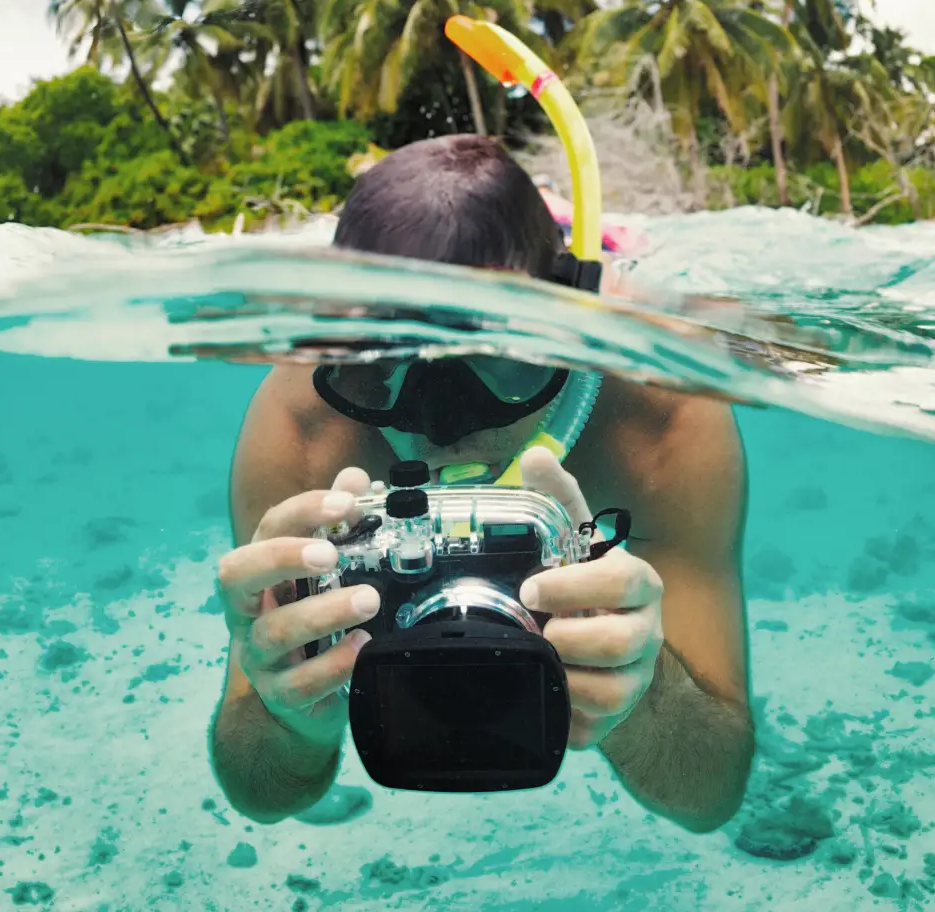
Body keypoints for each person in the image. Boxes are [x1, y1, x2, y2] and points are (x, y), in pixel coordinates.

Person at [212, 134, 754, 831]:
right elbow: (261, 792)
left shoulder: (663, 409)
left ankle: (562, 224)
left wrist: (642, 693)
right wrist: (287, 716)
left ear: (560, 329)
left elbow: (710, 796)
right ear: (345, 350)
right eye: (384, 367)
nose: (445, 423)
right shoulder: (303, 421)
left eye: (501, 363)